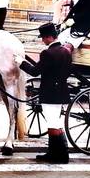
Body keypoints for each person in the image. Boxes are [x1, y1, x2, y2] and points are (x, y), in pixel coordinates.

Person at [20, 23, 72, 164]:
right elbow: (67, 72)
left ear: (50, 37)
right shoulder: (66, 51)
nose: (43, 40)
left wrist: (21, 62)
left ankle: (57, 155)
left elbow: (34, 71)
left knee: (52, 124)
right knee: (56, 123)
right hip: (61, 91)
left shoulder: (47, 53)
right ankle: (60, 154)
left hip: (49, 93)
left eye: (44, 38)